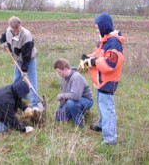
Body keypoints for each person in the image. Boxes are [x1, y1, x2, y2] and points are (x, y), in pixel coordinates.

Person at [78, 12, 125, 145]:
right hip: (101, 80)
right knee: (101, 104)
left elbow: (111, 64)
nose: (96, 29)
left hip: (108, 81)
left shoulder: (113, 42)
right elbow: (98, 54)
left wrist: (92, 62)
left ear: (104, 26)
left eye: (97, 27)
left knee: (107, 108)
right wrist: (87, 58)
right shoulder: (104, 40)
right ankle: (101, 124)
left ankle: (110, 139)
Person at [0, 16, 39, 108]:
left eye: (17, 28)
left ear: (20, 25)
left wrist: (24, 68)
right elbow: (2, 38)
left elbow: (27, 55)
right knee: (16, 80)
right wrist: (2, 44)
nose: (16, 30)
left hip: (29, 59)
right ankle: (16, 101)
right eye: (13, 28)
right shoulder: (8, 31)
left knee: (32, 81)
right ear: (10, 27)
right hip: (18, 59)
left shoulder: (26, 35)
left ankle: (35, 105)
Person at [54, 58, 94, 128]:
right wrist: (60, 108)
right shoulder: (64, 78)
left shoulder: (76, 77)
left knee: (71, 103)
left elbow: (76, 96)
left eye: (59, 72)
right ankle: (77, 113)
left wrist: (61, 96)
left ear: (65, 69)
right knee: (59, 118)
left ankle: (80, 124)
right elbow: (64, 95)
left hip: (86, 100)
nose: (58, 74)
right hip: (72, 100)